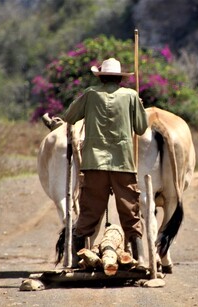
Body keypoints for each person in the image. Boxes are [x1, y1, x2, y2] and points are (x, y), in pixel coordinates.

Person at [61, 58, 148, 268]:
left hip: (94, 164)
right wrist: (139, 106)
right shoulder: (131, 96)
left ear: (101, 77)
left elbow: (69, 116)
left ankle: (74, 260)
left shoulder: (91, 94)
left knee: (89, 212)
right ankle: (141, 259)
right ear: (119, 78)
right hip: (123, 164)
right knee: (130, 212)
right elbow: (141, 128)